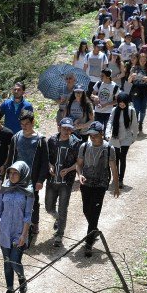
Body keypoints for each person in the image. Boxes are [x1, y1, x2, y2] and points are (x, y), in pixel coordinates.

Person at [0, 161, 34, 293]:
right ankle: (9, 290)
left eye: (15, 173)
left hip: (19, 232)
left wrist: (24, 235)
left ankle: (21, 278)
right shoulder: (5, 187)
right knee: (7, 261)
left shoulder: (29, 192)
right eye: (10, 173)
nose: (12, 176)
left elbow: (28, 216)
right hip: (5, 231)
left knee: (14, 260)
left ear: (23, 174)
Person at [76, 122, 121, 258]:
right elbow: (78, 165)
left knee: (94, 213)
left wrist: (116, 186)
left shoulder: (109, 149)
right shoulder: (84, 147)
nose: (92, 137)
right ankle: (94, 229)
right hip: (86, 184)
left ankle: (88, 244)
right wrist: (80, 175)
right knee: (86, 210)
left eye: (95, 135)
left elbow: (113, 168)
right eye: (90, 135)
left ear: (101, 134)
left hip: (101, 185)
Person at [8, 109, 48, 241]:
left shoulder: (40, 140)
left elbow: (44, 162)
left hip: (33, 177)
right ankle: (20, 228)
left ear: (33, 123)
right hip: (18, 177)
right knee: (18, 201)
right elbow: (11, 158)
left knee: (33, 202)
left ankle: (34, 224)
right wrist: (9, 175)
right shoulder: (16, 137)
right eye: (22, 124)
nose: (24, 127)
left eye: (27, 124)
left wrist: (41, 180)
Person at [45, 118, 82, 248]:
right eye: (64, 128)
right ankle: (57, 219)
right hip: (51, 180)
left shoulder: (76, 143)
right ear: (59, 127)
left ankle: (59, 235)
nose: (66, 131)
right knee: (49, 207)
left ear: (72, 129)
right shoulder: (51, 140)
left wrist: (69, 169)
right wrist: (50, 166)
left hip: (66, 182)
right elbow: (47, 157)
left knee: (62, 209)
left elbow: (79, 162)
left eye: (69, 128)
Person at [106, 92, 137, 188]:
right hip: (115, 137)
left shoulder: (131, 111)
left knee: (122, 157)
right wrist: (107, 133)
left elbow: (134, 126)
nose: (122, 104)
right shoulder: (115, 110)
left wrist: (134, 138)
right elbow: (110, 122)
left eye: (123, 102)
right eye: (120, 103)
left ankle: (120, 180)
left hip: (126, 137)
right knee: (116, 158)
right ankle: (116, 176)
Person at [129, 52, 147, 133]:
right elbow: (129, 81)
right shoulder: (134, 68)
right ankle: (135, 123)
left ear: (146, 60)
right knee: (136, 108)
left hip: (145, 90)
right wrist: (131, 77)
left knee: (143, 109)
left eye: (144, 60)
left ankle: (141, 123)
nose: (143, 62)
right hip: (136, 89)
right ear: (138, 60)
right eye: (141, 60)